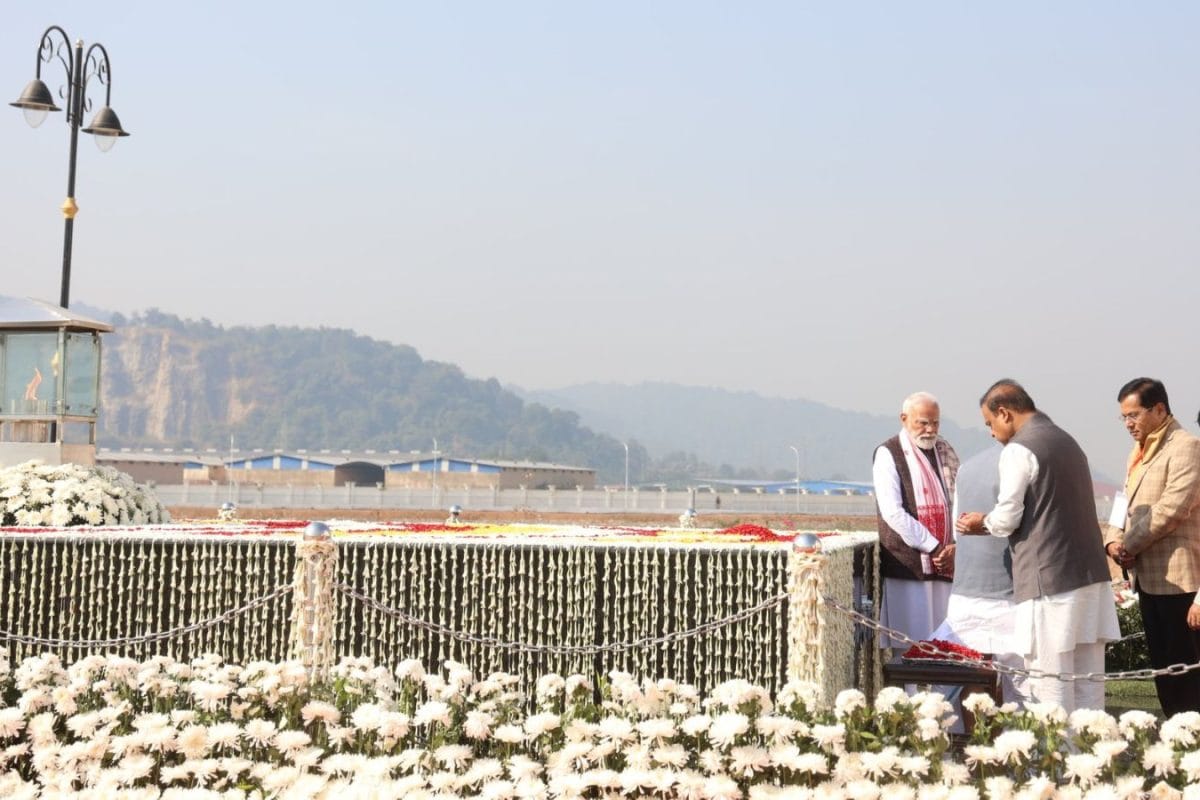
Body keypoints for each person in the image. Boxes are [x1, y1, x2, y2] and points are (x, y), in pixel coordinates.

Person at [956, 380, 1119, 711]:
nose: (991, 433)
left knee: (1049, 683)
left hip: (1050, 583)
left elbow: (1006, 519)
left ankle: (1053, 761)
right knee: (1088, 683)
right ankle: (1091, 757)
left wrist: (979, 523)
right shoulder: (1068, 441)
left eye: (990, 423)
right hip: (1090, 578)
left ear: (1005, 413)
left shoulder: (1019, 449)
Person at [1102, 378, 1200, 716]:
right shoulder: (1139, 451)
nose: (1129, 424)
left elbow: (1173, 507)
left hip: (1179, 577)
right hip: (1147, 577)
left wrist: (1129, 543)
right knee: (1164, 670)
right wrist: (1113, 540)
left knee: (1184, 671)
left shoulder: (1186, 445)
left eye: (1134, 415)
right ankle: (1177, 740)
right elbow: (1123, 500)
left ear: (1159, 409)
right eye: (1124, 418)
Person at [930, 444, 1022, 701]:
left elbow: (956, 525)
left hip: (969, 590)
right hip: (1012, 591)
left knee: (974, 674)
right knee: (1015, 683)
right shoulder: (1028, 462)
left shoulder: (969, 467)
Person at [873, 391, 959, 649]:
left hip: (946, 563)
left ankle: (944, 691)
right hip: (908, 565)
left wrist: (953, 547)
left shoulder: (944, 452)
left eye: (935, 422)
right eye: (922, 422)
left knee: (947, 645)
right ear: (904, 418)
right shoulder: (889, 453)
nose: (930, 429)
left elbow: (957, 503)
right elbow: (893, 512)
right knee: (910, 646)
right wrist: (934, 546)